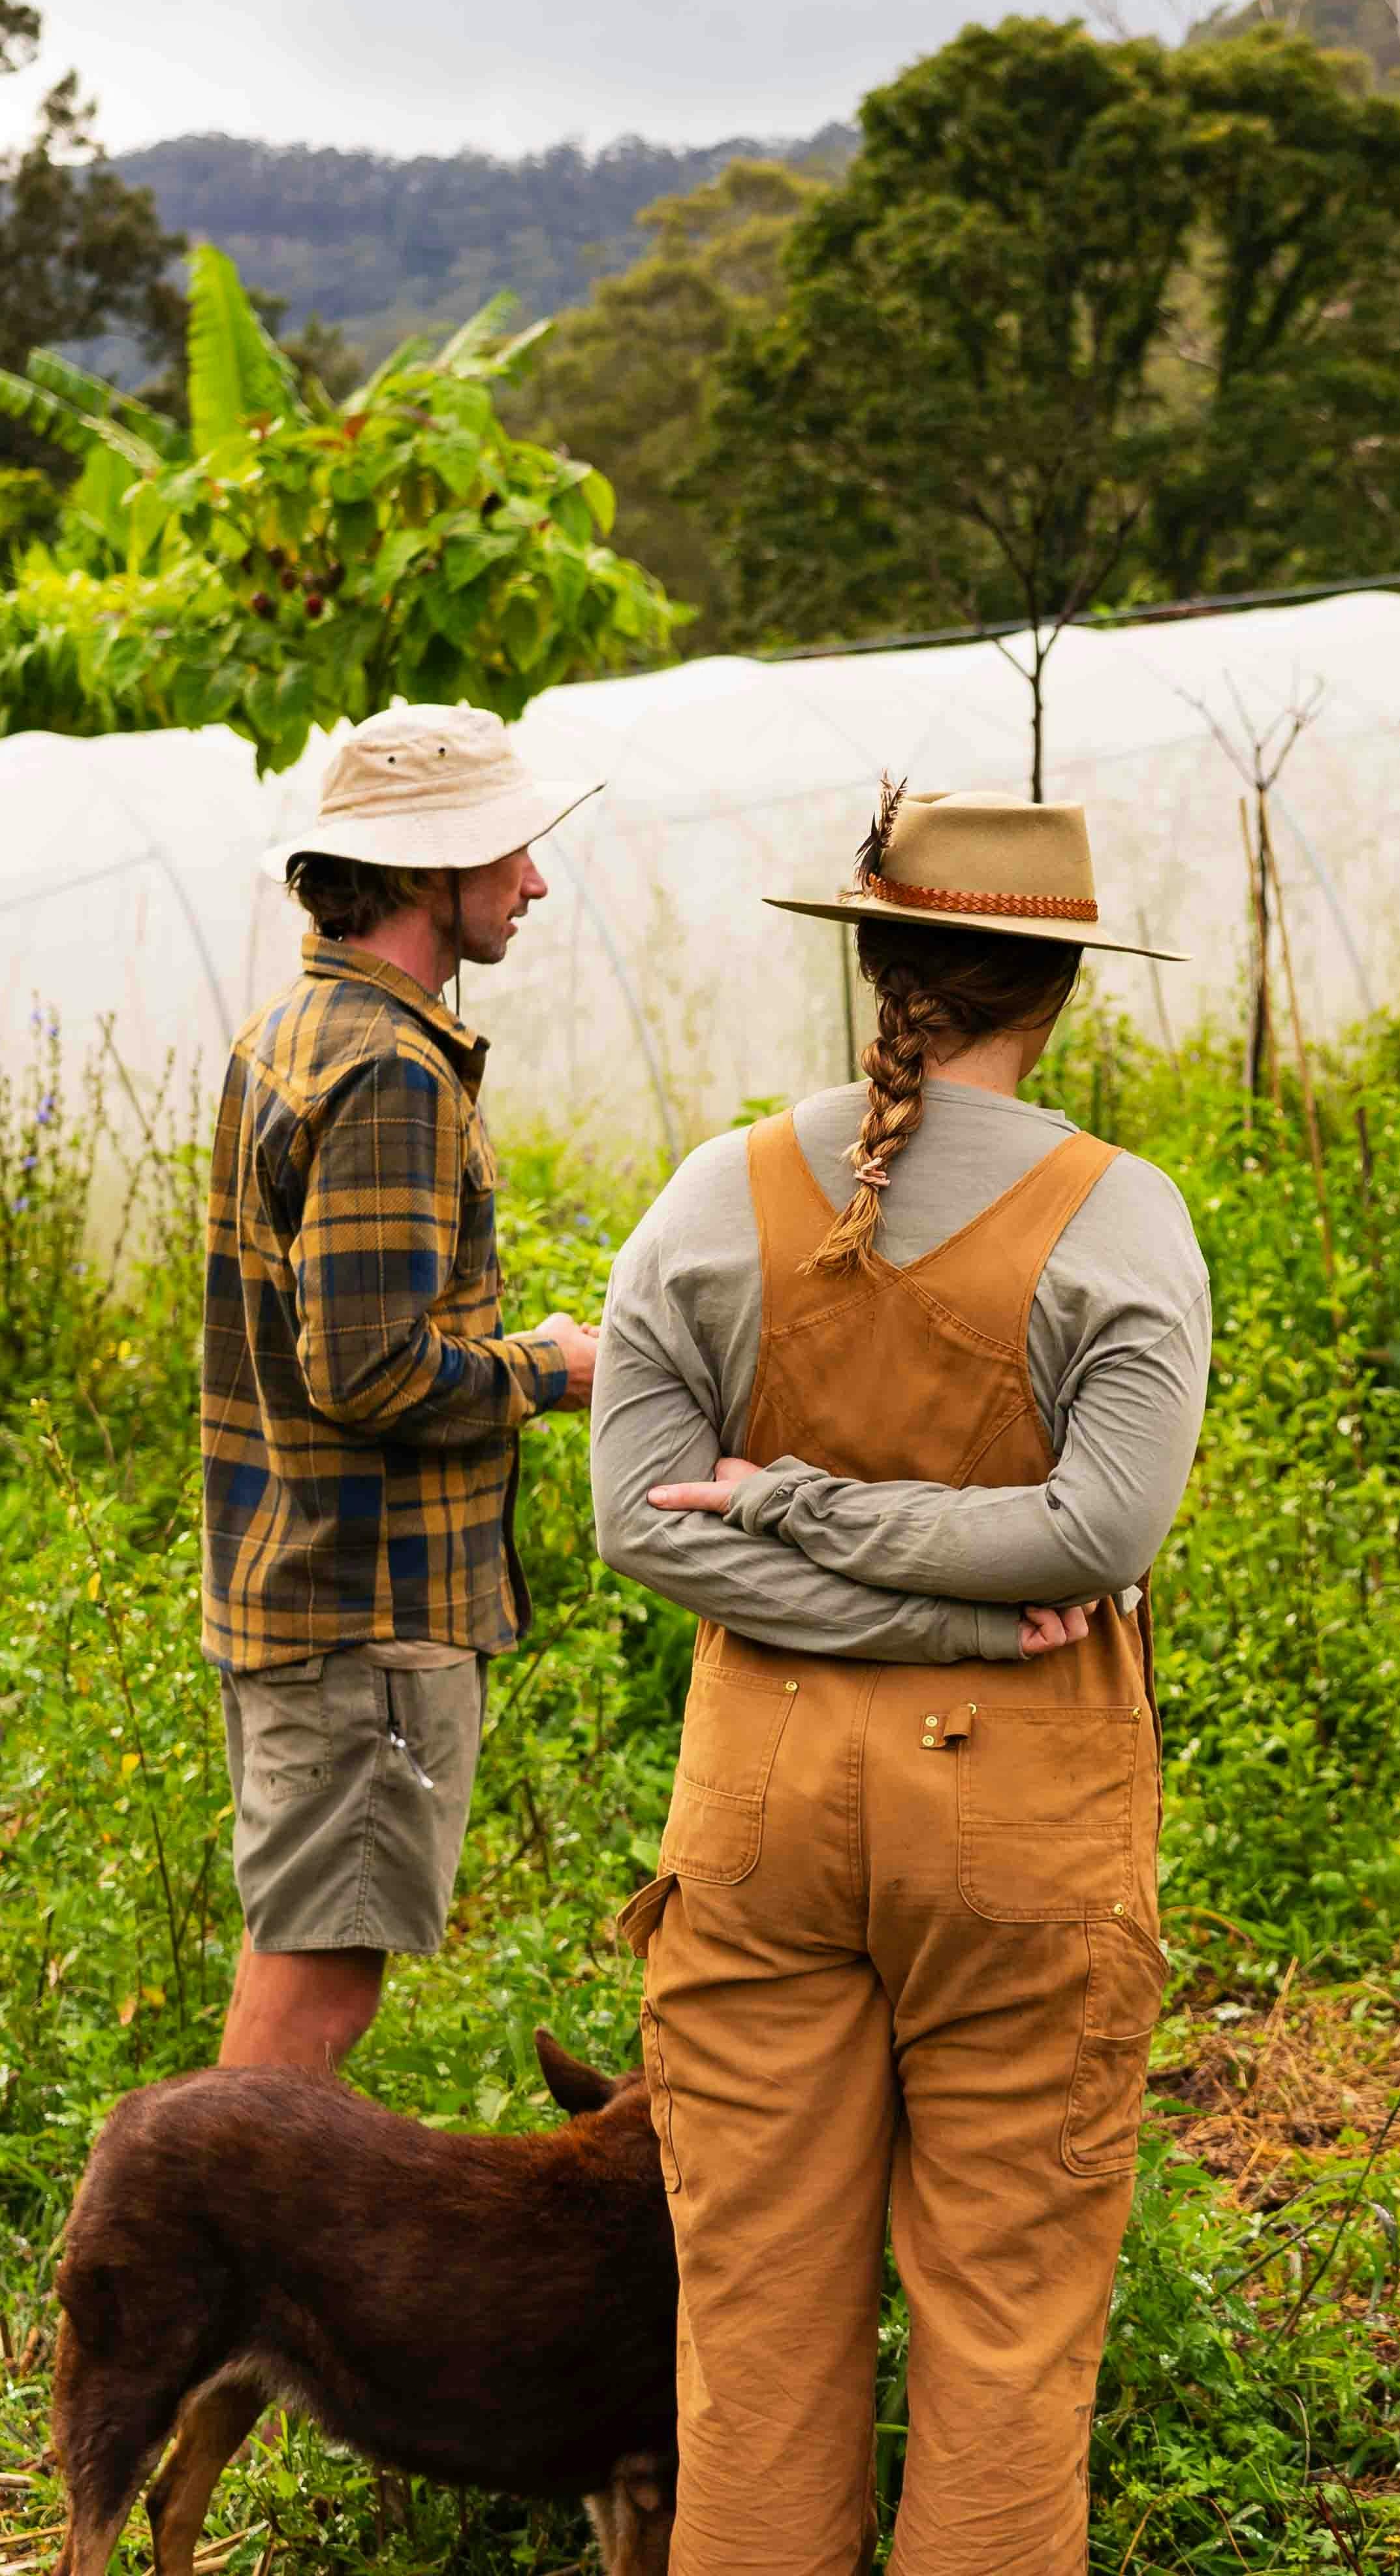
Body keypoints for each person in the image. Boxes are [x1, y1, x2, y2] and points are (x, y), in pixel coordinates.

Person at [589, 786, 1209, 2576]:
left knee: (756, 2318)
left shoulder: (712, 1197)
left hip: (758, 1808)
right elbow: (1098, 1536)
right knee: (1007, 2319)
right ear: (1061, 991)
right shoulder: (1123, 1219)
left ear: (872, 964)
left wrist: (796, 1516)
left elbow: (639, 1519)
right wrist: (945, 1618)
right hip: (1020, 1813)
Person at [202, 703, 604, 2071]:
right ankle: (207, 2264)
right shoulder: (387, 1072)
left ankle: (205, 2254)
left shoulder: (296, 1030)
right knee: (317, 1995)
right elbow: (365, 1367)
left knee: (302, 1956)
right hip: (364, 1606)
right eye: (509, 854)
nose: (534, 882)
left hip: (310, 1583)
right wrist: (553, 1366)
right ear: (430, 875)